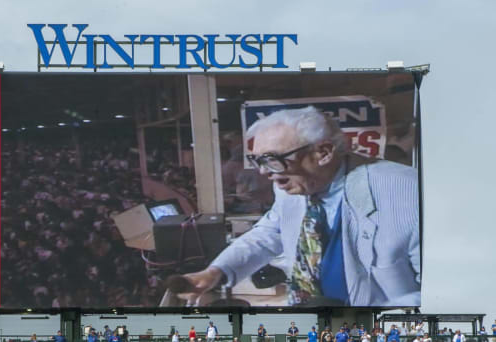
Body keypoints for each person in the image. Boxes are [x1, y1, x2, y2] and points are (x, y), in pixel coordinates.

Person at [176, 106, 420, 306]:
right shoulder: (293, 183)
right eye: (258, 161)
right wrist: (217, 271)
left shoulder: (407, 191)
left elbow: (442, 290)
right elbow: (271, 232)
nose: (263, 172)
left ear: (323, 153)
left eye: (272, 159)